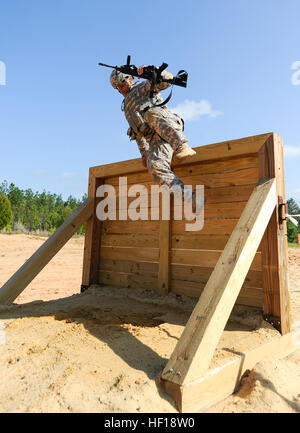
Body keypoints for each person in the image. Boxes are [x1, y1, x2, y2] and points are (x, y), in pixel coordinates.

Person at [110, 66, 199, 210]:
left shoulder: (142, 88)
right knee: (155, 168)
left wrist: (152, 71)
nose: (120, 89)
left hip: (168, 126)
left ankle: (181, 145)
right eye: (117, 88)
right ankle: (190, 197)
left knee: (149, 114)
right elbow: (137, 133)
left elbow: (168, 80)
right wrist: (145, 154)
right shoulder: (126, 107)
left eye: (121, 84)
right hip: (156, 140)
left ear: (130, 79)